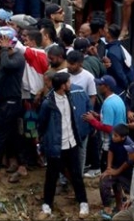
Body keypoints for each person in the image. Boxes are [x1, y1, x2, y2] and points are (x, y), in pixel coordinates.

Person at [37, 72, 90, 220]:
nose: (70, 84)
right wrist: (43, 143)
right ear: (62, 85)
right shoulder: (48, 103)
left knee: (76, 174)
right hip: (56, 145)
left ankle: (83, 202)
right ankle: (47, 204)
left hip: (71, 143)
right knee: (51, 176)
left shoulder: (69, 96)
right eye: (68, 82)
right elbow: (41, 124)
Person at [0, 28, 27, 182]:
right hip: (2, 102)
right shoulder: (5, 57)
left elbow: (8, 65)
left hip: (11, 102)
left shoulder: (17, 58)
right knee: (13, 135)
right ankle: (22, 165)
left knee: (1, 137)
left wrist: (3, 49)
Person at [100, 123, 134, 220]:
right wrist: (109, 168)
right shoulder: (114, 139)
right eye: (113, 135)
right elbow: (111, 151)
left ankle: (131, 211)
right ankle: (108, 207)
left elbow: (128, 162)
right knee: (104, 180)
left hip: (127, 171)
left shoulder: (129, 144)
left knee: (133, 192)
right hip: (115, 166)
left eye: (115, 136)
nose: (113, 137)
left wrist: (117, 172)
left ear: (123, 137)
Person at [105, 24, 134, 95]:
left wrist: (127, 87)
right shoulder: (120, 47)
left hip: (119, 89)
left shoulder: (112, 52)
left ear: (109, 35)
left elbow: (119, 73)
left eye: (106, 32)